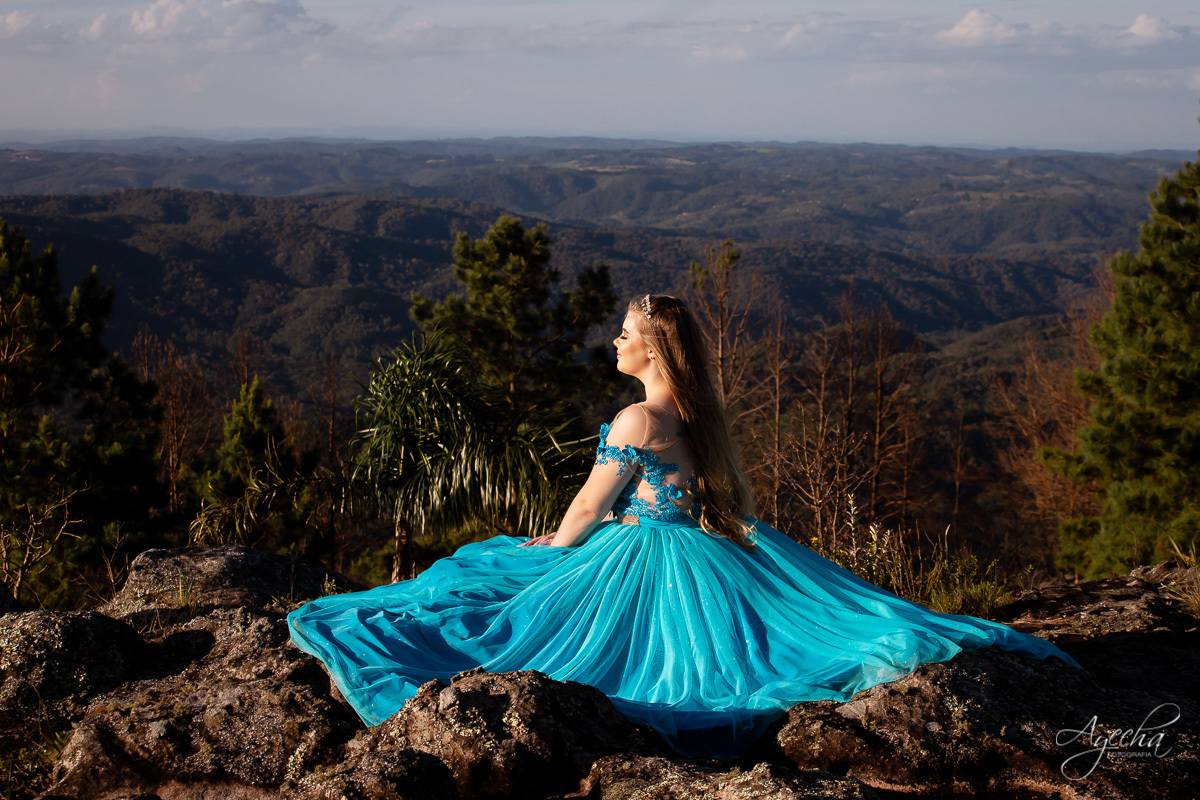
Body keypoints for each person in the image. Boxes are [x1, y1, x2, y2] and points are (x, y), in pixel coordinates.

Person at [287, 294, 1082, 760]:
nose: (616, 340)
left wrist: (558, 549)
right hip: (706, 544)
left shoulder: (636, 417)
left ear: (655, 346)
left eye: (627, 332)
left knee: (506, 620)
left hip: (650, 552)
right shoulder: (694, 409)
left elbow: (591, 507)